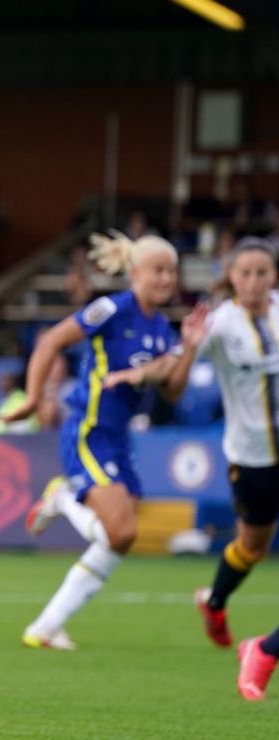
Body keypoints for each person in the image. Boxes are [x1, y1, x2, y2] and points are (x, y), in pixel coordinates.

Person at [8, 230, 207, 650]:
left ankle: (45, 627)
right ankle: (63, 498)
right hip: (89, 429)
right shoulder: (112, 309)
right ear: (135, 271)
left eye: (172, 271)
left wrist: (187, 349)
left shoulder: (161, 328)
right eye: (158, 269)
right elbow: (51, 341)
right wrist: (32, 396)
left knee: (121, 536)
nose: (167, 278)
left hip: (119, 439)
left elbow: (172, 391)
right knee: (120, 531)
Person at [147, 238, 279, 653]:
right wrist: (189, 346)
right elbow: (172, 391)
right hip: (252, 457)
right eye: (246, 273)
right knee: (253, 548)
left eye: (263, 273)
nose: (255, 282)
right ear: (232, 276)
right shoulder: (220, 322)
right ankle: (216, 602)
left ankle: (264, 651)